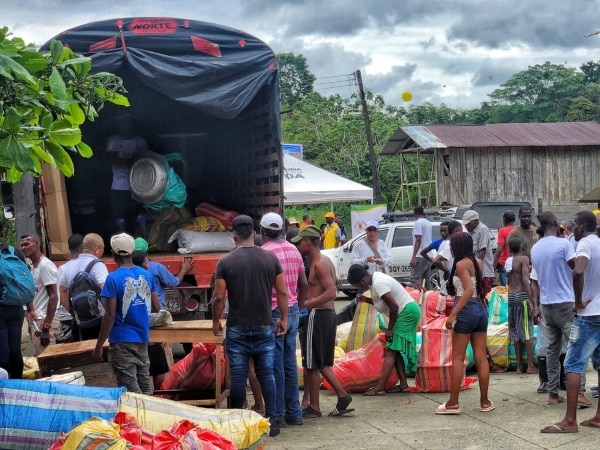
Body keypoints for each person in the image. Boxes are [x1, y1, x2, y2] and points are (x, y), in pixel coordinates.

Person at [211, 215, 288, 438]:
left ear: (234, 235)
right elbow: (282, 291)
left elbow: (218, 296)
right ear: (254, 234)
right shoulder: (270, 258)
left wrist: (216, 321)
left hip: (237, 327)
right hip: (264, 325)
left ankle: (236, 422)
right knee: (267, 375)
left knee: (238, 375)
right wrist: (284, 318)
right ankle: (273, 421)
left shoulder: (225, 262)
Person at [541, 210, 600, 433]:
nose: (572, 228)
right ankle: (598, 417)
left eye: (574, 224)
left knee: (573, 364)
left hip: (589, 315)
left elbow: (577, 271)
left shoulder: (585, 244)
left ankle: (570, 421)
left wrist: (578, 302)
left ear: (581, 227)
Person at [292, 225, 354, 418]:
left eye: (300, 243)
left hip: (317, 315)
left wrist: (306, 303)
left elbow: (331, 292)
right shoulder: (326, 260)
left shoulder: (319, 263)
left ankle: (335, 397)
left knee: (314, 362)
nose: (298, 246)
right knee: (316, 362)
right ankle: (321, 404)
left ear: (308, 243)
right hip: (325, 316)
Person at [92, 233, 160, 395]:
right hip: (142, 337)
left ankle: (137, 419)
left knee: (130, 389)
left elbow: (109, 315)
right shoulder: (147, 275)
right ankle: (149, 417)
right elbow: (156, 307)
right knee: (144, 384)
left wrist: (99, 345)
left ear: (114, 254)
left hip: (122, 340)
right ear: (132, 252)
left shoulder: (113, 279)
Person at [436, 232, 494, 415]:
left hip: (466, 311)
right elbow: (478, 288)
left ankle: (453, 403)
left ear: (456, 247)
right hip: (480, 310)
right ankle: (485, 402)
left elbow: (468, 289)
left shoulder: (460, 265)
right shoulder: (477, 262)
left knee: (458, 358)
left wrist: (453, 314)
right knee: (481, 357)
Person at [260, 212, 308, 427]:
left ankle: (277, 413)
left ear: (262, 232)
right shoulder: (294, 250)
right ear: (282, 230)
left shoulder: (264, 253)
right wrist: (298, 305)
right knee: (289, 362)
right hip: (293, 310)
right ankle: (294, 413)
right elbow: (303, 283)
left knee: (275, 365)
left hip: (274, 312)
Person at [530, 211, 582, 406]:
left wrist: (535, 306)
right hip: (566, 304)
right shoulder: (564, 244)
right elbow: (577, 270)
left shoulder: (536, 249)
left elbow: (534, 281)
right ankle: (579, 393)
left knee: (551, 351)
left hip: (547, 304)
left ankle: (552, 393)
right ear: (555, 223)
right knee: (576, 349)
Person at [347, 264, 420, 396]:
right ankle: (403, 385)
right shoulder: (374, 281)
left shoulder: (379, 283)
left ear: (362, 281)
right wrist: (366, 300)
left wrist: (390, 330)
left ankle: (379, 388)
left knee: (390, 350)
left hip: (407, 312)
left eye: (358, 286)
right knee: (394, 349)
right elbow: (383, 302)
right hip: (404, 311)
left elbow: (393, 306)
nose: (359, 289)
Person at [131, 242, 193, 388]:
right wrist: (183, 270)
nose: (147, 264)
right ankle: (168, 387)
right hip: (156, 318)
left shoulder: (127, 276)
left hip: (138, 321)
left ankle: (147, 388)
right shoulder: (154, 269)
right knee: (164, 354)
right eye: (146, 261)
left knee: (144, 357)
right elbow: (173, 282)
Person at [59, 233, 109, 341]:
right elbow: (105, 289)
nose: (103, 251)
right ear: (96, 249)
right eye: (103, 248)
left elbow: (62, 290)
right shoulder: (98, 265)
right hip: (99, 319)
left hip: (80, 320)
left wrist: (73, 311)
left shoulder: (69, 266)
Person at [106, 113, 149, 234]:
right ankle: (121, 244)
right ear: (117, 124)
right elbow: (112, 159)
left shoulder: (140, 141)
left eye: (127, 121)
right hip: (119, 186)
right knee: (120, 218)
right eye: (121, 122)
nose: (125, 124)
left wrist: (136, 160)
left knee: (140, 215)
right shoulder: (113, 141)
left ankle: (142, 242)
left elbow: (147, 160)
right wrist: (132, 160)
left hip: (139, 186)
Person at [0, 237, 34, 378]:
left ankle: (5, 390)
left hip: (1, 308)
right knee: (15, 351)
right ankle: (18, 386)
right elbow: (25, 281)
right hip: (17, 309)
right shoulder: (15, 252)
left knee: (3, 352)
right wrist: (30, 308)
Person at [20, 233, 59, 356]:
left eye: (27, 244)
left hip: (45, 321)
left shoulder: (45, 265)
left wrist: (46, 327)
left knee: (47, 360)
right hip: (37, 321)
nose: (23, 248)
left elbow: (54, 296)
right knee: (41, 359)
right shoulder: (33, 267)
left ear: (37, 245)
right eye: (21, 245)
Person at [506, 237, 537, 374]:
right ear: (522, 248)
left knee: (515, 332)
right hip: (522, 297)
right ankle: (530, 366)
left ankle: (519, 367)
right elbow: (525, 280)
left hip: (511, 297)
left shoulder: (508, 261)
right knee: (526, 331)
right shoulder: (524, 259)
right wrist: (532, 301)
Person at [55, 234, 84, 343]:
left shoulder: (62, 269)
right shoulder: (87, 266)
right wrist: (76, 314)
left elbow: (60, 294)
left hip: (65, 317)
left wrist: (72, 312)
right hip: (81, 316)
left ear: (69, 248)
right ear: (82, 248)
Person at [462, 210, 494, 298]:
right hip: (475, 271)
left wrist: (475, 268)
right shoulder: (470, 232)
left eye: (468, 224)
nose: (466, 226)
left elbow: (482, 251)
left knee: (485, 297)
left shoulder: (482, 229)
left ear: (475, 221)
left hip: (484, 272)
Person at [410, 205, 433, 290]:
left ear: (415, 214)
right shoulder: (427, 222)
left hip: (420, 256)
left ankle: (416, 300)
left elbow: (418, 240)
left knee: (415, 279)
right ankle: (429, 299)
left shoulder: (418, 223)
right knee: (426, 281)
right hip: (429, 255)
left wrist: (413, 257)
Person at [493, 210, 516, 286]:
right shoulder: (517, 230)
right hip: (517, 263)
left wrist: (494, 265)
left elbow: (499, 249)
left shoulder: (502, 231)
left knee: (505, 289)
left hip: (504, 264)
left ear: (504, 220)